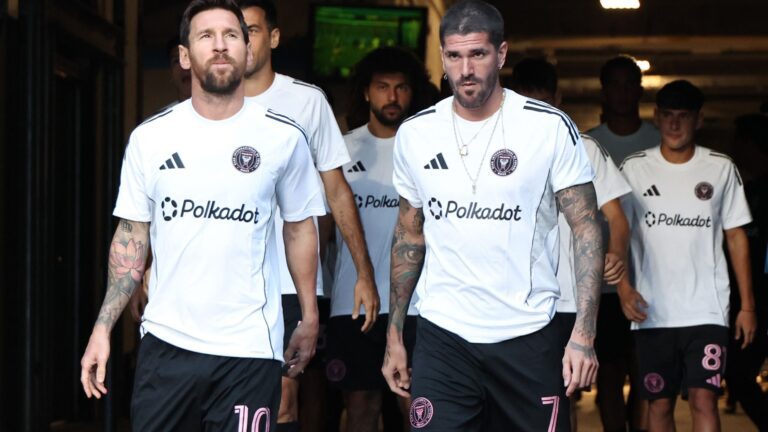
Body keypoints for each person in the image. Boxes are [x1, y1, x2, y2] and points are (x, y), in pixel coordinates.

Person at [79, 1, 326, 430]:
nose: (220, 46)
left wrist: (309, 315)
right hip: (166, 345)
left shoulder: (284, 137)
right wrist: (103, 328)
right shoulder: (150, 139)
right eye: (205, 36)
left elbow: (300, 227)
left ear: (248, 50)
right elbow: (132, 235)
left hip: (249, 350)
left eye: (231, 35)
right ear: (184, 55)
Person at [381, 1, 603, 430]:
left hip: (527, 335)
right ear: (442, 57)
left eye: (477, 54)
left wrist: (584, 333)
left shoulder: (548, 127)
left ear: (501, 54)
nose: (465, 70)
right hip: (444, 336)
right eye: (454, 56)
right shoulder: (416, 134)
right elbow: (409, 235)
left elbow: (586, 228)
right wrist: (394, 334)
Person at [237, 1, 380, 431]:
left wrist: (363, 272)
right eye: (234, 31)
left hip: (288, 281)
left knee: (282, 403)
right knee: (230, 400)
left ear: (274, 36)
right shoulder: (207, 100)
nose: (242, 42)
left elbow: (337, 191)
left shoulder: (306, 101)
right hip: (224, 280)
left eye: (252, 31)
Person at [618, 80, 757, 432]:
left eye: (683, 116)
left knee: (704, 399)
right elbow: (618, 231)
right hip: (652, 311)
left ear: (699, 120)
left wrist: (748, 306)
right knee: (658, 403)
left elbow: (736, 236)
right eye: (668, 115)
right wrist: (623, 287)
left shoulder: (720, 167)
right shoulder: (634, 168)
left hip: (707, 308)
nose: (675, 124)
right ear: (656, 117)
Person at [511, 57, 633, 432]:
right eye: (528, 103)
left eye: (544, 102)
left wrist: (617, 254)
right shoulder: (496, 148)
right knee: (516, 401)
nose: (537, 114)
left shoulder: (584, 147)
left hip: (566, 301)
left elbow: (616, 216)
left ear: (558, 99)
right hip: (509, 301)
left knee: (558, 398)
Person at [325, 46, 432, 432]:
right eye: (383, 87)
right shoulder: (341, 149)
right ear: (366, 92)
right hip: (352, 304)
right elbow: (321, 231)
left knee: (415, 408)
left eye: (401, 87)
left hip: (417, 304)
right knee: (360, 409)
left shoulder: (426, 147)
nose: (392, 96)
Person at [587, 54, 660, 432]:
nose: (622, 92)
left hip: (651, 279)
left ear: (640, 90)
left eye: (629, 84)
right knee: (609, 376)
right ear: (603, 91)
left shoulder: (660, 141)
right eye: (614, 84)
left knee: (646, 375)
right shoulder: (588, 144)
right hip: (602, 283)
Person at [725, 113, 768, 430]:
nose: (734, 150)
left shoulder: (760, 193)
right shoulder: (749, 190)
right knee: (737, 374)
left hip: (759, 300)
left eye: (738, 143)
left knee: (738, 374)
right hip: (747, 300)